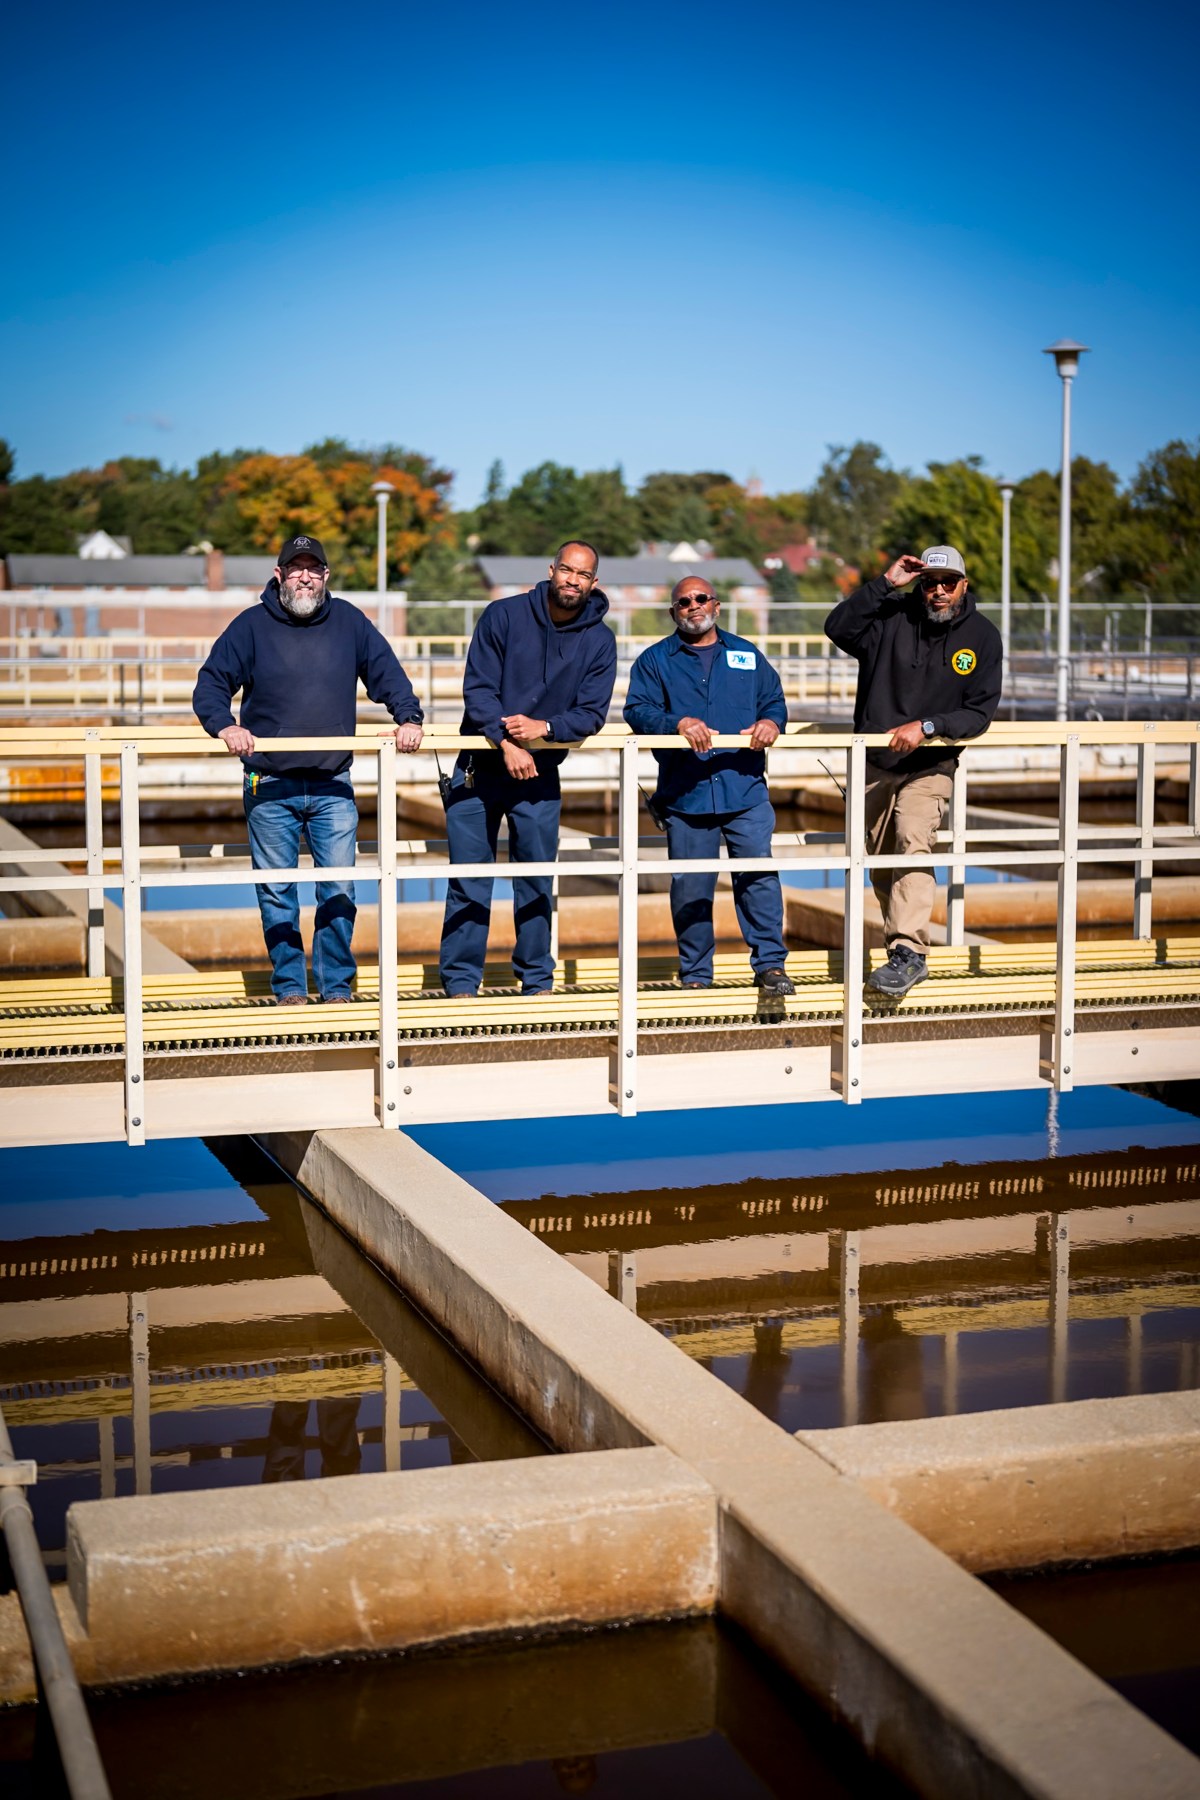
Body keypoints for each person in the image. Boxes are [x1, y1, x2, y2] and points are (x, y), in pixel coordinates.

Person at [193, 534, 424, 1004]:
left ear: (325, 576)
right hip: (269, 783)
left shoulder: (351, 624)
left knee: (338, 887)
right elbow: (210, 684)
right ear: (279, 575)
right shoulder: (250, 627)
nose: (304, 576)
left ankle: (336, 988)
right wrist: (224, 726)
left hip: (331, 784)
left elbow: (388, 675)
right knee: (277, 890)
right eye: (294, 568)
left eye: (312, 568)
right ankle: (290, 989)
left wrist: (408, 717)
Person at [439, 541, 617, 996]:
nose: (572, 580)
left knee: (536, 878)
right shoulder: (503, 616)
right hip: (478, 767)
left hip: (539, 772)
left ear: (593, 583)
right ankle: (461, 985)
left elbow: (592, 713)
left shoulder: (599, 640)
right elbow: (478, 691)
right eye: (566, 570)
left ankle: (536, 981)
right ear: (551, 569)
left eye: (582, 575)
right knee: (469, 879)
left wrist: (544, 729)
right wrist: (505, 743)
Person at [825, 545, 1002, 996]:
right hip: (878, 761)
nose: (938, 591)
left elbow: (978, 714)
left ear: (965, 584)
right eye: (929, 582)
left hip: (930, 762)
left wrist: (929, 727)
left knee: (912, 837)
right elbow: (838, 627)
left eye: (948, 583)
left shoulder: (982, 636)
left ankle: (909, 952)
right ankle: (900, 954)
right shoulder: (890, 617)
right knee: (883, 862)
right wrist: (886, 583)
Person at [623, 576, 794, 995]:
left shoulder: (746, 655)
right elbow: (637, 710)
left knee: (758, 878)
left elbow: (773, 699)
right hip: (687, 794)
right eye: (683, 602)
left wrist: (772, 721)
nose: (692, 606)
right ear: (673, 612)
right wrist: (676, 723)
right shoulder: (654, 661)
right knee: (691, 887)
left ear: (716, 605)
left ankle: (770, 967)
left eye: (700, 599)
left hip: (744, 789)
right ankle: (696, 974)